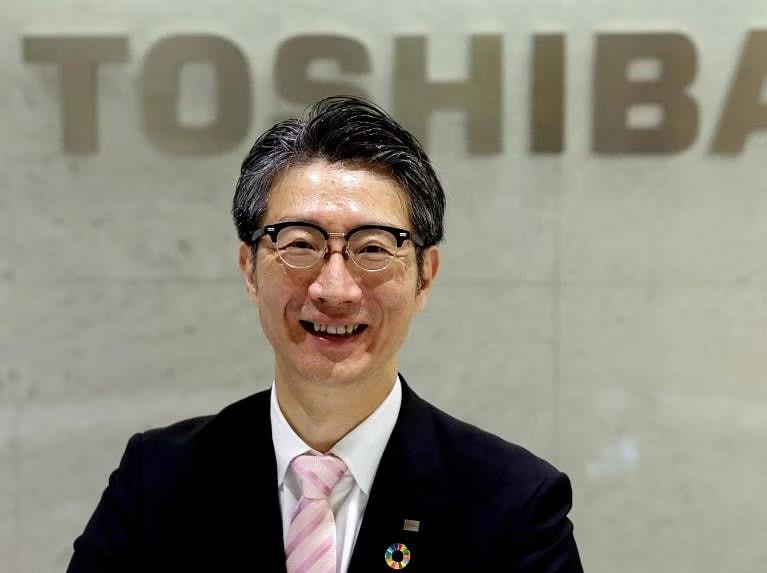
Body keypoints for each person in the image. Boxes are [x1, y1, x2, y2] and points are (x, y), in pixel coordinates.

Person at [68, 96, 584, 572]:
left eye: (373, 248)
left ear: (425, 276)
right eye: (300, 244)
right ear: (249, 269)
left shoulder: (513, 503)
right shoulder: (158, 480)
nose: (335, 289)